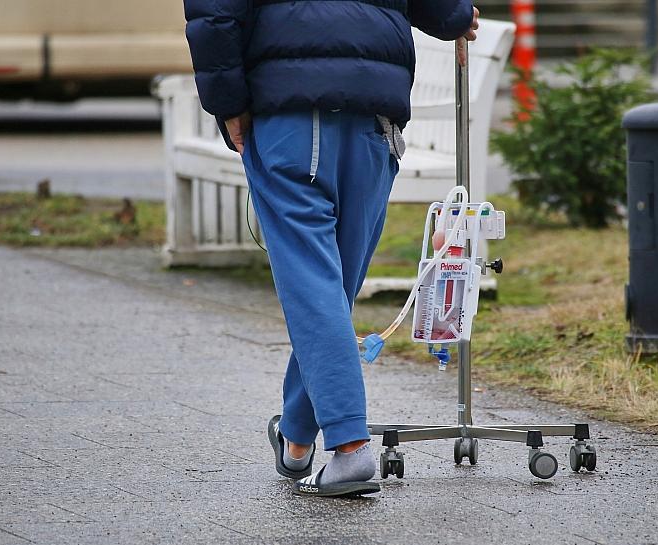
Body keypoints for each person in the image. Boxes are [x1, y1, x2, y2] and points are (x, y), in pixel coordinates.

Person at [184, 0, 479, 497]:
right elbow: (443, 10)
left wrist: (229, 104)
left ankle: (350, 446)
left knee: (315, 287)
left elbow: (214, 16)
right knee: (331, 290)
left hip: (290, 115)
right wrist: (456, 14)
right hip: (375, 117)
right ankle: (297, 437)